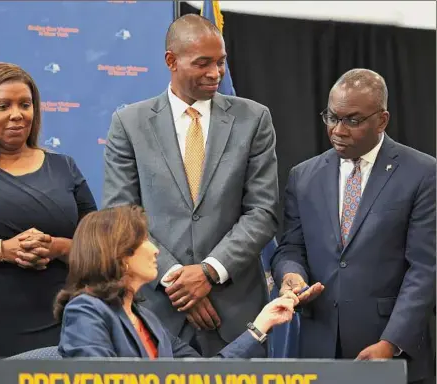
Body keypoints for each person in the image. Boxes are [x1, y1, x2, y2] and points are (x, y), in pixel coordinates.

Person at [102, 14, 279, 356]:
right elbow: (120, 216)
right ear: (171, 60)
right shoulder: (129, 124)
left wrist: (210, 272)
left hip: (236, 314)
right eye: (203, 63)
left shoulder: (254, 119)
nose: (215, 73)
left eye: (221, 62)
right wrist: (176, 280)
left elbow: (263, 212)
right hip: (155, 313)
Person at [270, 68, 435, 384]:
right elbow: (291, 247)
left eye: (352, 121)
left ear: (382, 121)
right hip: (318, 348)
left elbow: (425, 268)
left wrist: (390, 343)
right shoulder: (303, 176)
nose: (337, 130)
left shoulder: (423, 174)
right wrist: (291, 275)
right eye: (331, 117)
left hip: (390, 350)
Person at [0, 63, 97, 373]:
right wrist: (2, 250)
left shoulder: (64, 167)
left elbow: (98, 248)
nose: (17, 114)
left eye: (25, 104)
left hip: (59, 327)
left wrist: (57, 247)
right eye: (3, 106)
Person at [55, 205, 298, 359]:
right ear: (120, 255)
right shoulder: (86, 311)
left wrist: (261, 324)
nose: (155, 251)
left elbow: (202, 376)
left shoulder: (146, 318)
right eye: (144, 241)